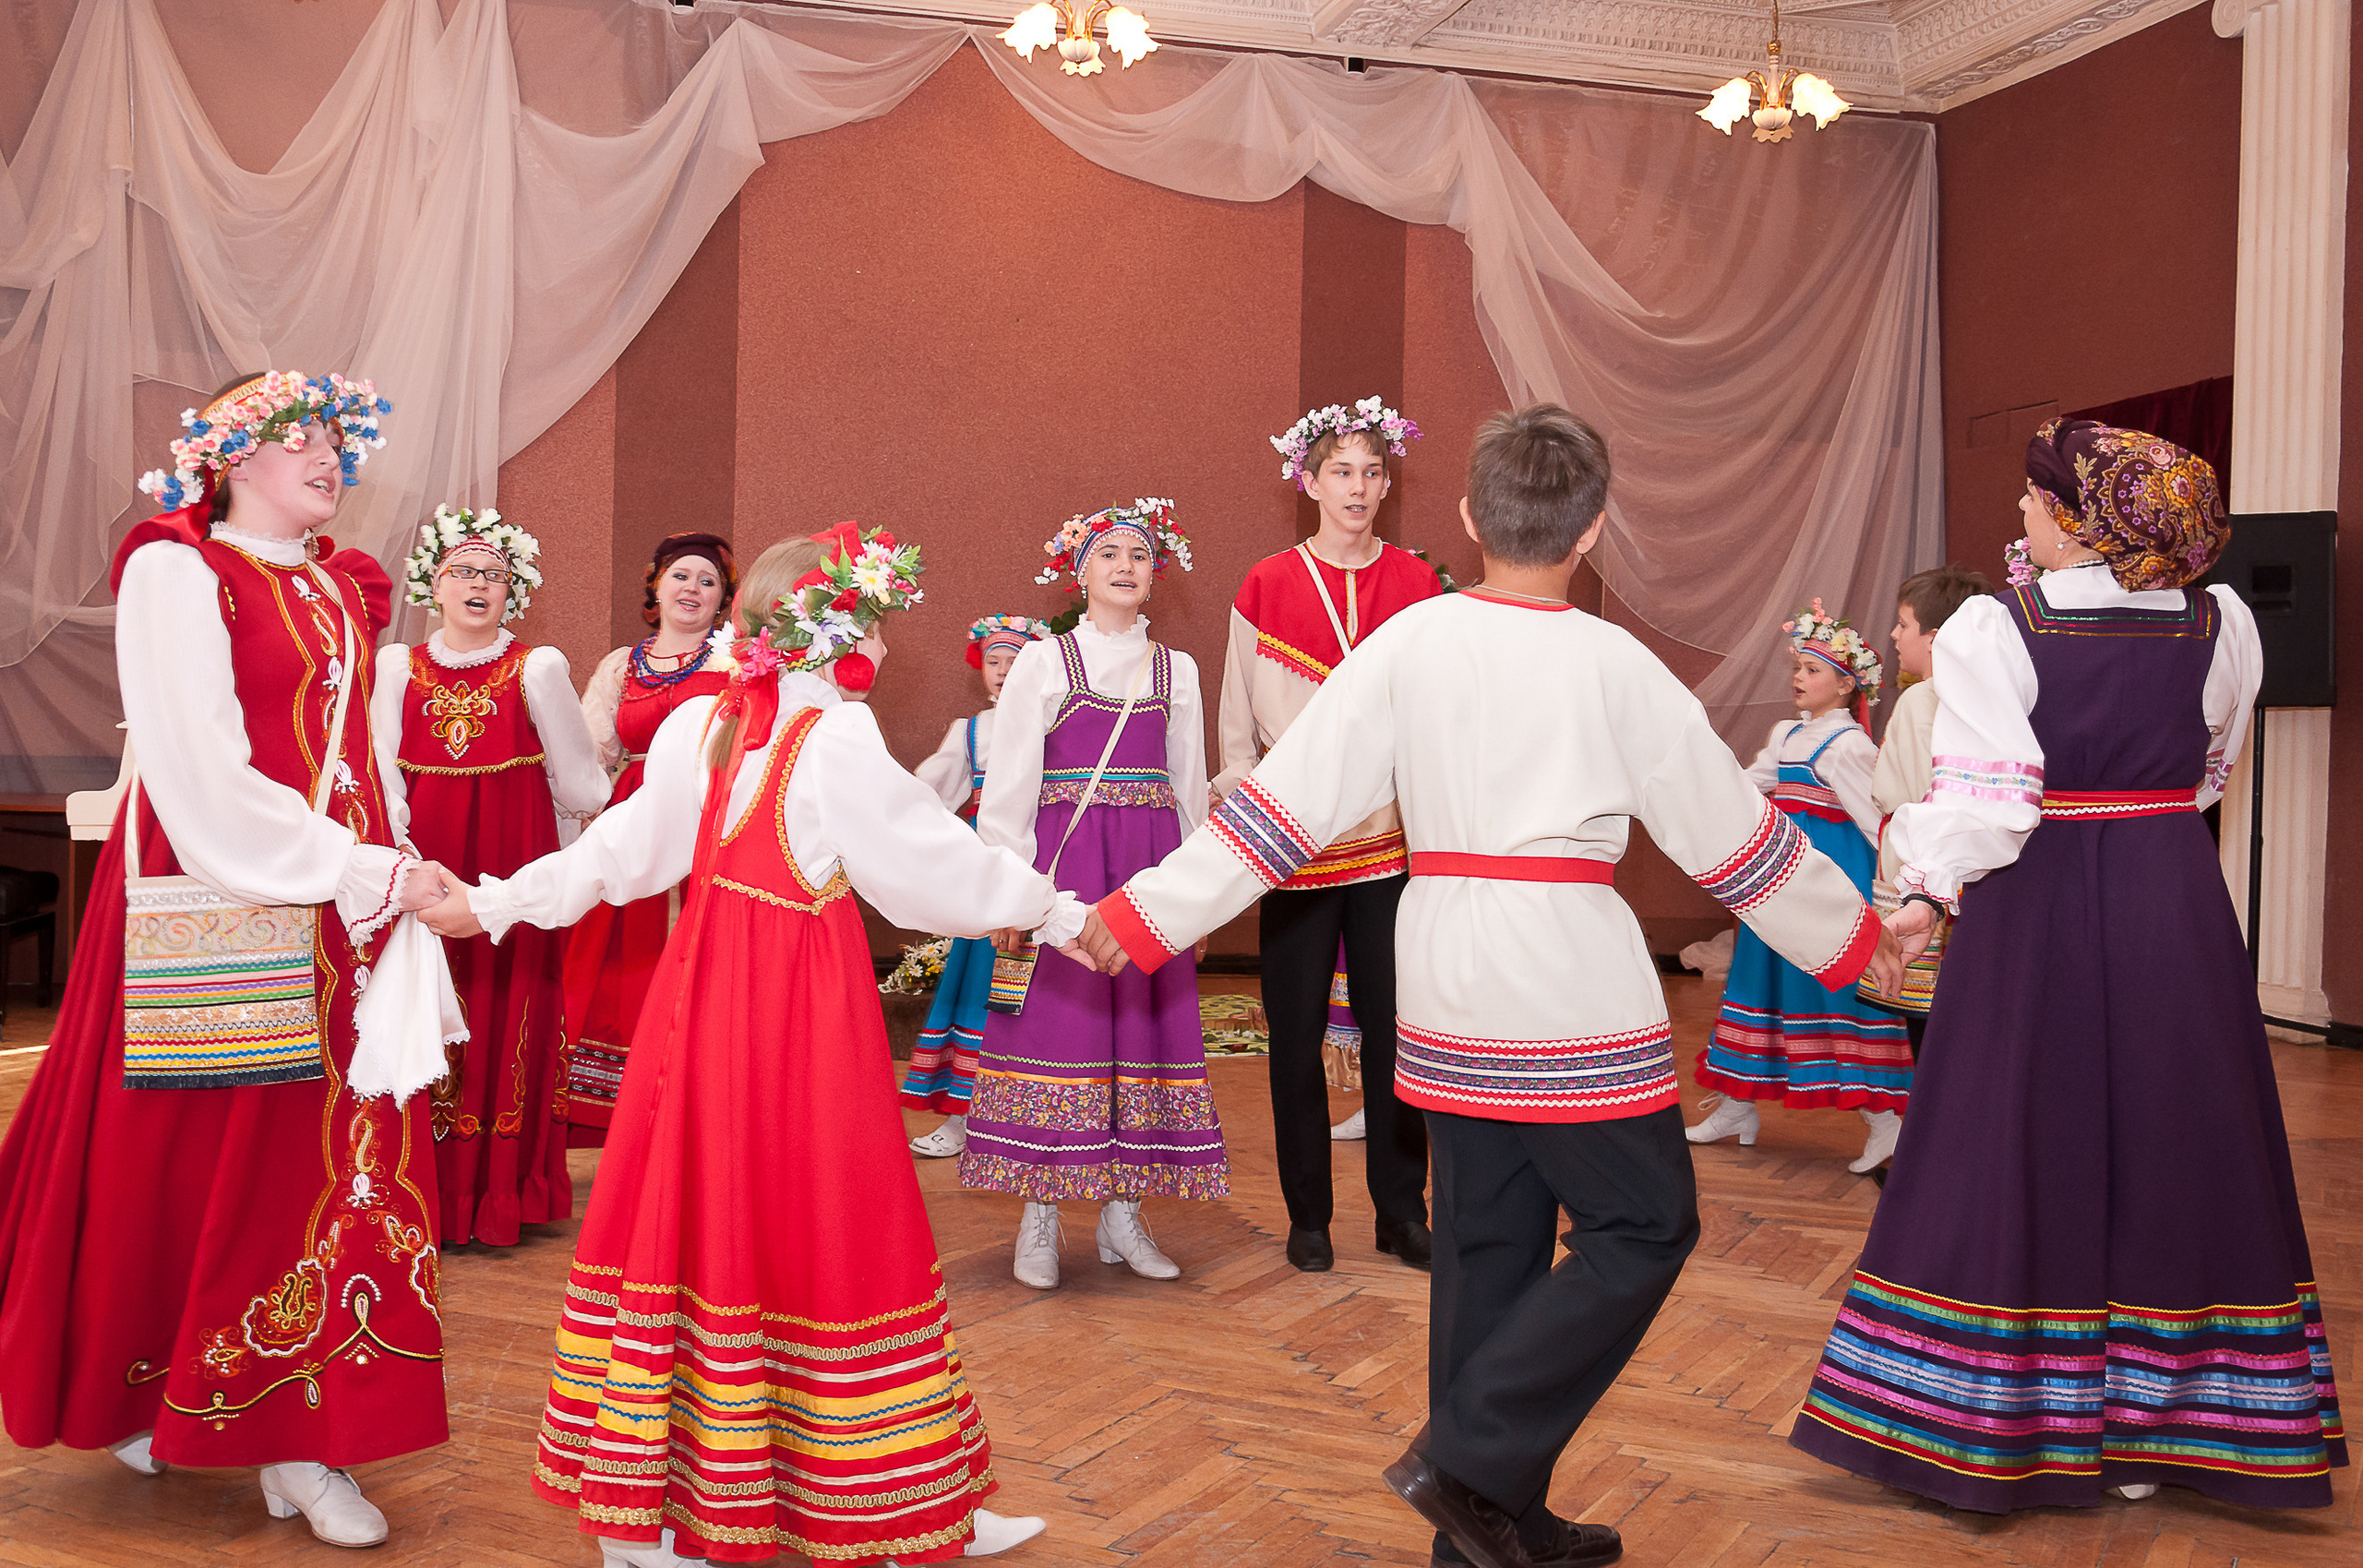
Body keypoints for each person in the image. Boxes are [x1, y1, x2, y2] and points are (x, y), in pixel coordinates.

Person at [1075, 406, 1901, 1568]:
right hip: (1570, 972)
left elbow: (1281, 808)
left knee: (1487, 1245)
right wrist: (1861, 942)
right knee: (1643, 1222)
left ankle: (1484, 1529)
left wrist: (1144, 913)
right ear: (1593, 528)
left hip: (1445, 963)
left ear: (1466, 515)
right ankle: (1469, 1459)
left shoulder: (1409, 644)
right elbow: (1737, 843)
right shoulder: (1617, 663)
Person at [425, 526, 1062, 1567]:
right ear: (840, 629)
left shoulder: (705, 722)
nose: (887, 644)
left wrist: (498, 902)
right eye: (875, 623)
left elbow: (620, 855)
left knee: (695, 1217)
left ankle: (684, 1510)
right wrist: (1056, 906)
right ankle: (888, 1490)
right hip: (797, 1006)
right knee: (836, 1219)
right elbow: (926, 865)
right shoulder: (832, 733)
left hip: (706, 993)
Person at [1791, 420, 2346, 1512]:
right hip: (2169, 898)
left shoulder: (1998, 631)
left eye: (2037, 502)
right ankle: (2157, 1428)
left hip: (2035, 906)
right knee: (2174, 1136)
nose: (2021, 517)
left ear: (2084, 522)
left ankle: (2000, 1415)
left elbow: (1991, 802)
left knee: (2015, 1133)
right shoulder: (2219, 620)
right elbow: (2206, 771)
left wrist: (1921, 891)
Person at [0, 372, 463, 1549]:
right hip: (220, 881)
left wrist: (394, 865)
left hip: (332, 897)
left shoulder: (336, 582)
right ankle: (210, 1403)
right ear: (229, 459)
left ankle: (280, 1423)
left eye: (333, 440)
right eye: (299, 441)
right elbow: (198, 771)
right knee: (213, 1150)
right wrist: (358, 869)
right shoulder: (176, 569)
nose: (328, 459)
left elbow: (363, 750)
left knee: (322, 1155)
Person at [959, 499, 1227, 1290]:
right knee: (1060, 1033)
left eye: (1139, 555)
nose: (1124, 566)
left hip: (1145, 876)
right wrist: (1012, 894)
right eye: (1108, 552)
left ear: (1155, 575)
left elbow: (1188, 791)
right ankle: (1040, 1214)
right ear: (1079, 572)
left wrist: (1194, 903)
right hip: (1067, 878)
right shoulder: (1046, 662)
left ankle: (1122, 1213)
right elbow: (1010, 782)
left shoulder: (1178, 669)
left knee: (1143, 1036)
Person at [1224, 396, 1439, 1273]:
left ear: (1388, 484)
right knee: (1294, 1031)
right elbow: (1239, 713)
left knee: (1399, 1033)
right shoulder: (1267, 582)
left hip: (1390, 845)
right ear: (1308, 482)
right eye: (1341, 471)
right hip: (1295, 843)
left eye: (1373, 471)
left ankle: (1401, 1211)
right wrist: (1240, 798)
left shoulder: (1419, 585)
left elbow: (1436, 709)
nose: (1359, 486)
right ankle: (1307, 1215)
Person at [373, 506, 610, 1245]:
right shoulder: (395, 666)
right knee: (420, 1005)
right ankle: (423, 1188)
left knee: (504, 1007)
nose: (479, 584)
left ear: (513, 592)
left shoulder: (537, 667)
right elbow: (381, 770)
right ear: (432, 586)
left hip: (511, 863)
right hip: (423, 864)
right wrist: (404, 858)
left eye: (495, 576)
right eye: (463, 571)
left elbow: (583, 785)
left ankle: (497, 1193)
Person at [1685, 603, 1913, 1174]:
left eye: (1813, 670)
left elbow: (1874, 821)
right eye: (1798, 668)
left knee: (1833, 994)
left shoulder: (1849, 746)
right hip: (1779, 885)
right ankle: (1739, 1105)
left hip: (1831, 886)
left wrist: (1898, 891)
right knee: (1760, 984)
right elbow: (1744, 788)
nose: (1799, 678)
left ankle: (1886, 1123)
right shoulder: (1787, 735)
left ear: (1845, 685)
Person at [561, 533, 736, 1143]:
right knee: (613, 964)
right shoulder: (619, 665)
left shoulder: (733, 665)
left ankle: (685, 1097)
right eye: (681, 576)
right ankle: (606, 1103)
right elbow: (587, 755)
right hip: (632, 815)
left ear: (723, 601)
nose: (692, 588)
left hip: (704, 818)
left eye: (708, 581)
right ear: (655, 588)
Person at [904, 613, 1050, 1158]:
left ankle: (1030, 1114)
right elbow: (928, 792)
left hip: (1045, 867)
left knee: (1036, 990)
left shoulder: (1053, 723)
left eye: (1016, 662)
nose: (1004, 671)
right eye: (994, 661)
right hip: (990, 872)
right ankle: (963, 1116)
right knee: (978, 984)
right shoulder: (972, 731)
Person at [1853, 564, 1991, 1060]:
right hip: (1955, 871)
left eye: (1904, 624)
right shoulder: (1980, 698)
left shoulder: (1921, 699)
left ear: (1935, 638)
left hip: (1921, 875)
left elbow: (1918, 795)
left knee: (1927, 1026)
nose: (1893, 634)